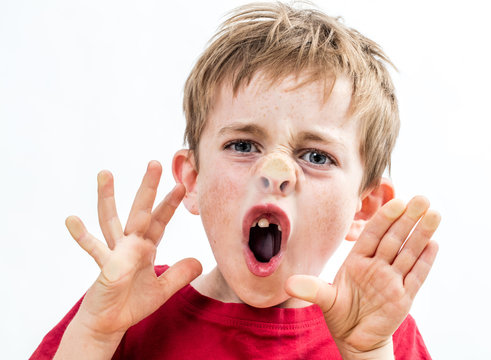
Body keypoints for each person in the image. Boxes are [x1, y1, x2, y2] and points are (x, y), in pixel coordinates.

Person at [31, 2, 441, 359]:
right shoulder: (128, 308)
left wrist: (367, 353)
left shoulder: (379, 331)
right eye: (244, 145)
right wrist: (95, 333)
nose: (275, 175)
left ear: (363, 207)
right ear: (193, 180)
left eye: (316, 156)